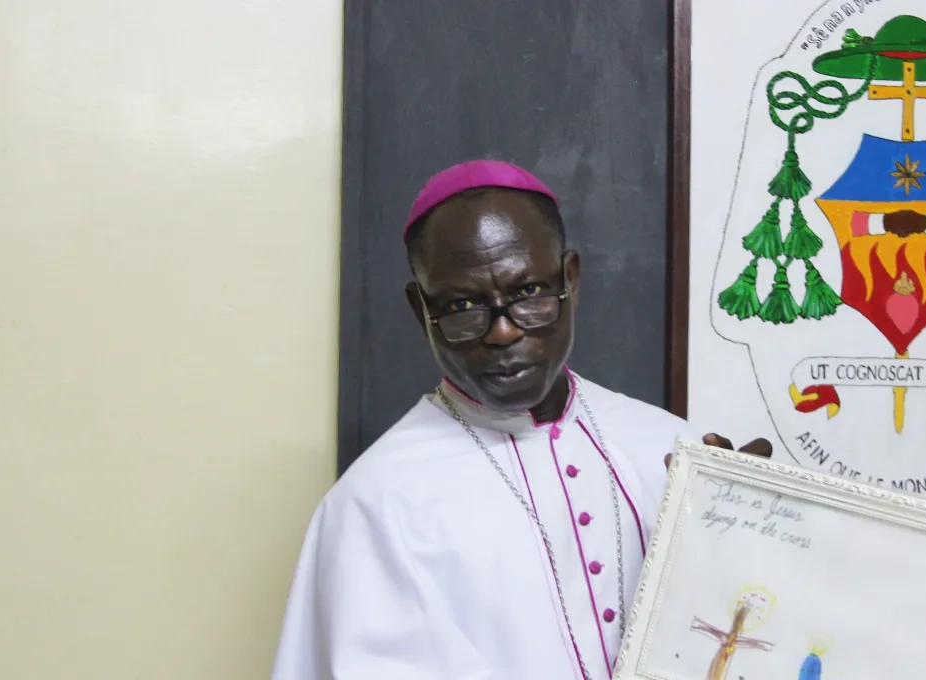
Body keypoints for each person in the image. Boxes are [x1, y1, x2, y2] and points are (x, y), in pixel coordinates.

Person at [271, 159, 772, 679]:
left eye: (528, 293)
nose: (504, 333)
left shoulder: (672, 448)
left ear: (570, 279)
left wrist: (746, 532)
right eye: (463, 304)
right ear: (420, 310)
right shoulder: (375, 507)